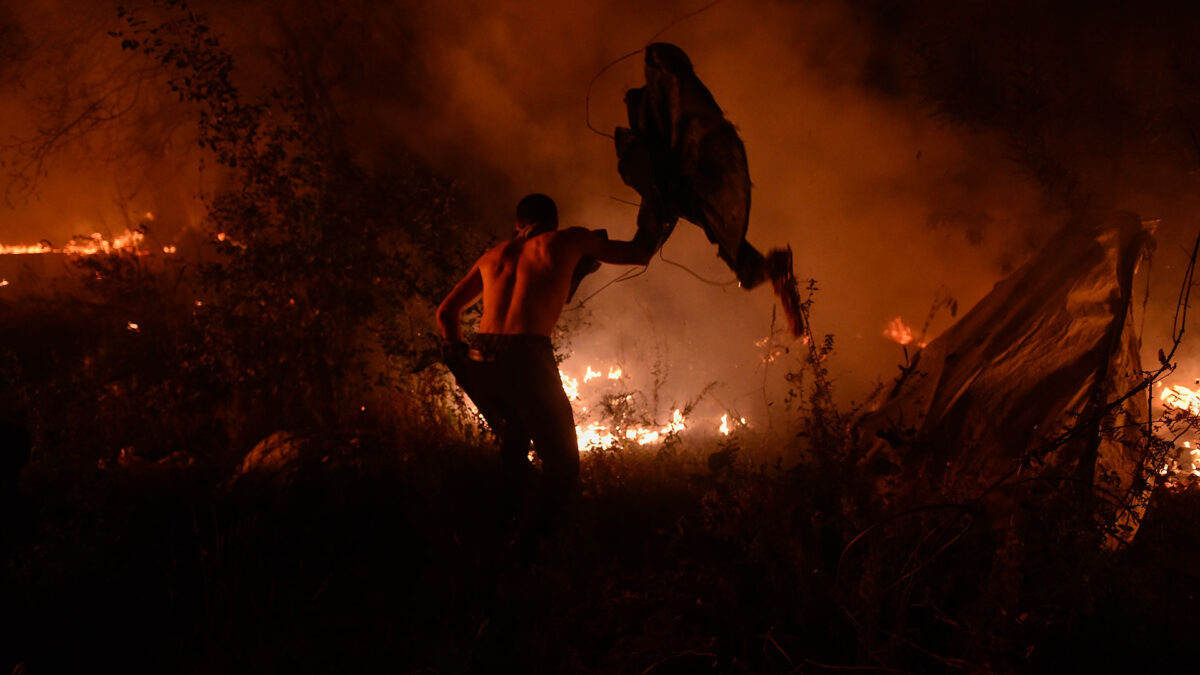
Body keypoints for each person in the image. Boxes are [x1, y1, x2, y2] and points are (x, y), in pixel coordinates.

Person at [437, 193, 658, 540]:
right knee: (563, 466)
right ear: (553, 222)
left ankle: (500, 534)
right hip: (527, 355)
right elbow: (639, 253)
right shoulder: (569, 239)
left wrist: (463, 359)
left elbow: (446, 314)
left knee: (514, 448)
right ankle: (525, 553)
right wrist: (659, 209)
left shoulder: (493, 255)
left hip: (482, 358)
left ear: (518, 224)